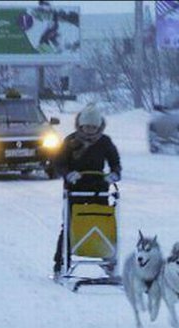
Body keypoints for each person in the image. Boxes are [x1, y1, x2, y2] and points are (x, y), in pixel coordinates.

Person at [52, 103, 122, 279]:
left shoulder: (105, 142)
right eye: (87, 126)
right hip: (75, 190)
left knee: (102, 224)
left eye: (93, 127)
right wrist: (68, 174)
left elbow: (115, 162)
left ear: (99, 126)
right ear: (80, 125)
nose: (90, 130)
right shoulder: (70, 141)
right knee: (69, 225)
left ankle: (108, 260)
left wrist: (114, 174)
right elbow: (58, 163)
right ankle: (61, 262)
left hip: (99, 190)